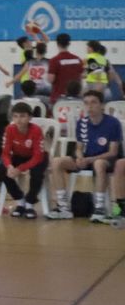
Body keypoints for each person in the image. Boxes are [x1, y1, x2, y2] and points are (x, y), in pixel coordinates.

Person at [47, 90, 120, 222]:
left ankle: (99, 208)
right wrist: (80, 157)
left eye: (93, 103)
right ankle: (63, 208)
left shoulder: (113, 123)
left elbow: (113, 152)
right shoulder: (82, 123)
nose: (89, 106)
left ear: (101, 105)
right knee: (57, 162)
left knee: (98, 164)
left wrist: (90, 159)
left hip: (105, 159)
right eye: (86, 103)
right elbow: (79, 147)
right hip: (86, 158)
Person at [1, 102, 48, 220]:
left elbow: (38, 157)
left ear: (30, 118)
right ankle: (20, 200)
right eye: (15, 116)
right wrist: (10, 166)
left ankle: (30, 203)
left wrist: (20, 169)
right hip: (19, 156)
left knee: (37, 173)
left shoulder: (36, 130)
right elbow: (5, 153)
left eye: (22, 116)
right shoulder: (9, 129)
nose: (19, 120)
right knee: (1, 169)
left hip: (37, 157)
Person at [49, 33, 86, 105]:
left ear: (57, 44)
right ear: (69, 43)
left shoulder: (54, 60)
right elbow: (83, 76)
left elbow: (50, 79)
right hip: (76, 98)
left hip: (58, 98)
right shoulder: (77, 59)